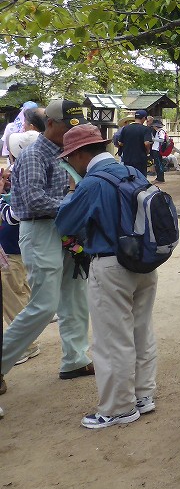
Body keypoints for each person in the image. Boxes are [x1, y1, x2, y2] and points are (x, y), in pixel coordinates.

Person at [53, 125, 159, 429]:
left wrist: (70, 194)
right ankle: (143, 396)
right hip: (144, 262)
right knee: (141, 332)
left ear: (80, 154)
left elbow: (66, 223)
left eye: (69, 158)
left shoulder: (92, 183)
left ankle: (118, 408)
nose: (69, 164)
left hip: (111, 265)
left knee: (112, 339)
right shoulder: (133, 172)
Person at [0, 100, 92, 395]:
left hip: (65, 229)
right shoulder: (33, 155)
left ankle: (75, 359)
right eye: (67, 127)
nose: (71, 133)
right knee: (44, 305)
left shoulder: (69, 152)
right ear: (50, 124)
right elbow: (33, 200)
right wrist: (75, 205)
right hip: (40, 229)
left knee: (75, 296)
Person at [0, 131, 44, 368]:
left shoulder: (25, 177)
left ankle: (26, 345)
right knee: (19, 293)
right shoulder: (32, 172)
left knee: (14, 295)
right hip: (16, 248)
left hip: (11, 250)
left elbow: (12, 215)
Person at [118, 110, 152, 177]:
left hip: (127, 158)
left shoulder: (126, 128)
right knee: (140, 177)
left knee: (129, 176)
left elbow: (120, 143)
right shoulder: (145, 129)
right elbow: (147, 143)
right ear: (144, 118)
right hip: (140, 158)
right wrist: (148, 151)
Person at [149, 117, 167, 183]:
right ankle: (159, 177)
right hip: (156, 149)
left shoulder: (160, 132)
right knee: (157, 164)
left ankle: (160, 178)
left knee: (159, 164)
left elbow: (162, 140)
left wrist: (154, 139)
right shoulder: (158, 132)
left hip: (157, 150)